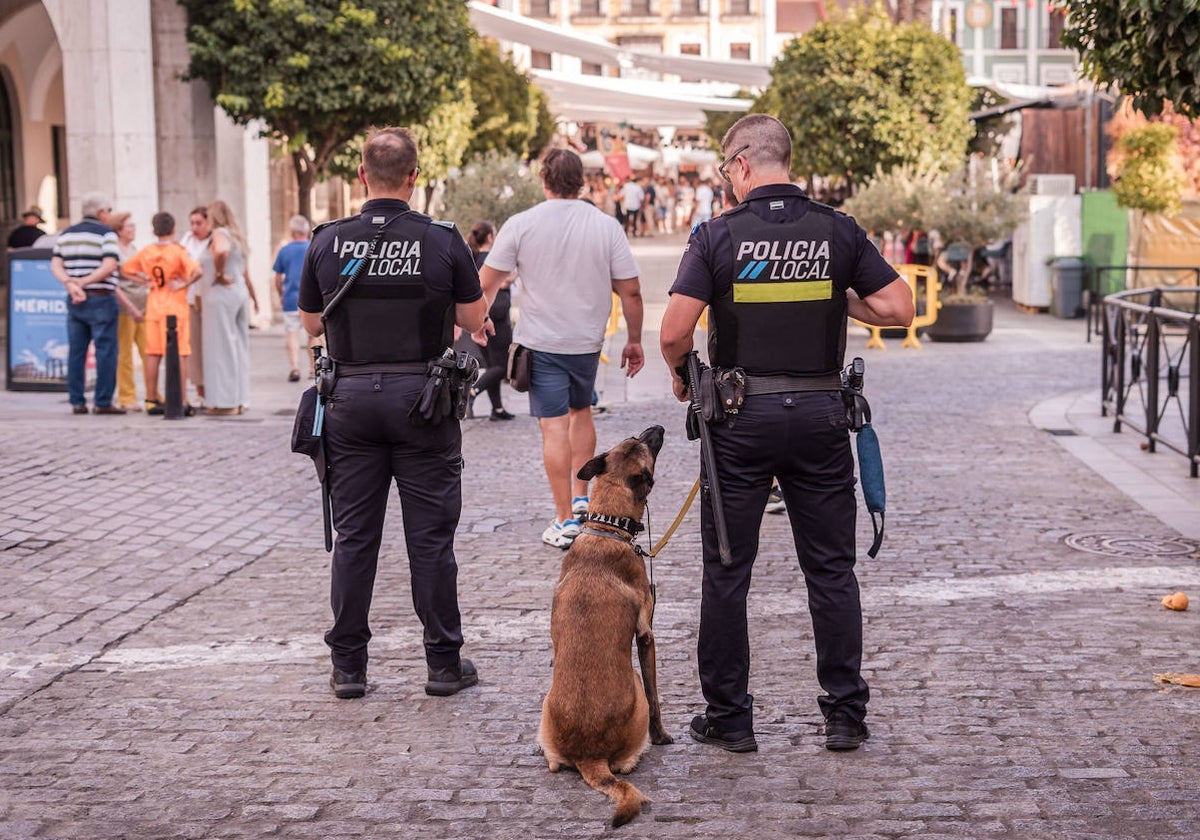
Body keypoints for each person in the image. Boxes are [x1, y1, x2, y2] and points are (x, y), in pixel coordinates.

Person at [659, 114, 914, 754]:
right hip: (823, 417)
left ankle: (730, 718)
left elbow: (673, 330)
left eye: (725, 171)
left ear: (742, 164)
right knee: (831, 570)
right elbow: (898, 309)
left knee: (727, 571)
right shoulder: (838, 230)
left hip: (741, 421)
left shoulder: (717, 236)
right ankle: (845, 716)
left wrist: (682, 377)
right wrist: (835, 294)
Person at [298, 126, 494, 700]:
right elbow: (472, 315)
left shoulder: (328, 240)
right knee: (430, 539)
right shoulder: (440, 239)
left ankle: (349, 668)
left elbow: (312, 324)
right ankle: (441, 664)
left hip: (350, 399)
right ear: (415, 176)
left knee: (356, 537)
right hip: (423, 400)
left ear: (362, 175)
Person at [478, 148, 644, 549]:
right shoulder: (606, 226)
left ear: (543, 180)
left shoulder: (521, 224)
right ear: (581, 182)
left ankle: (565, 519)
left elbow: (484, 281)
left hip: (542, 341)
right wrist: (635, 339)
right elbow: (631, 290)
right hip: (586, 341)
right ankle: (583, 498)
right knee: (581, 411)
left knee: (553, 427)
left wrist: (477, 319)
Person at [50, 193, 136, 415]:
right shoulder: (106, 234)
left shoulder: (66, 234)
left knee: (77, 352)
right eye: (108, 211)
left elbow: (56, 265)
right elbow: (109, 265)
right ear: (100, 213)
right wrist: (83, 281)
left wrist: (71, 284)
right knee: (106, 351)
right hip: (101, 298)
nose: (110, 215)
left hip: (76, 300)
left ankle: (77, 401)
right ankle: (103, 401)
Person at [121, 212, 202, 415]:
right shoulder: (179, 251)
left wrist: (145, 282)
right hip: (175, 305)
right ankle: (181, 398)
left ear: (154, 230)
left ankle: (151, 398)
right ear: (173, 229)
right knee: (180, 353)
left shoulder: (147, 251)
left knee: (153, 354)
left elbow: (125, 269)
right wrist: (184, 284)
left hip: (155, 304)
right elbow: (197, 271)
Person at [202, 199, 257, 415]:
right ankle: (240, 397)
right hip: (239, 292)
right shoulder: (237, 236)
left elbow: (221, 251)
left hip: (221, 294)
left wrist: (218, 274)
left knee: (220, 347)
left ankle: (224, 402)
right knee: (238, 346)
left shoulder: (220, 234)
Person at [464, 220, 514, 421]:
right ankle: (473, 391)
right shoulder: (492, 259)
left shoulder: (474, 258)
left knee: (493, 364)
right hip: (496, 319)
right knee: (501, 367)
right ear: (491, 237)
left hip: (482, 317)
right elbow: (499, 282)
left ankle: (498, 409)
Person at [110, 212, 148, 411]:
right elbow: (115, 282)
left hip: (143, 304)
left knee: (148, 350)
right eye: (129, 227)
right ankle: (127, 397)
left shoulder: (133, 249)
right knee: (125, 354)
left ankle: (153, 393)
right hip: (126, 308)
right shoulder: (115, 251)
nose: (132, 230)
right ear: (119, 230)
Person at [272, 214, 311, 382]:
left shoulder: (284, 250)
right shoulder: (313, 247)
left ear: (292, 231)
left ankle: (295, 368)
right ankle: (313, 368)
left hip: (290, 298)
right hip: (311, 299)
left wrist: (281, 294)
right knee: (313, 335)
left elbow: (277, 277)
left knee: (292, 333)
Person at [180, 206, 211, 407]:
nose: (194, 227)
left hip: (210, 299)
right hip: (191, 299)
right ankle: (200, 391)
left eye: (198, 222)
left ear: (208, 222)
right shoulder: (186, 241)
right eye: (192, 222)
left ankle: (215, 390)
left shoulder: (215, 240)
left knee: (212, 347)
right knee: (195, 348)